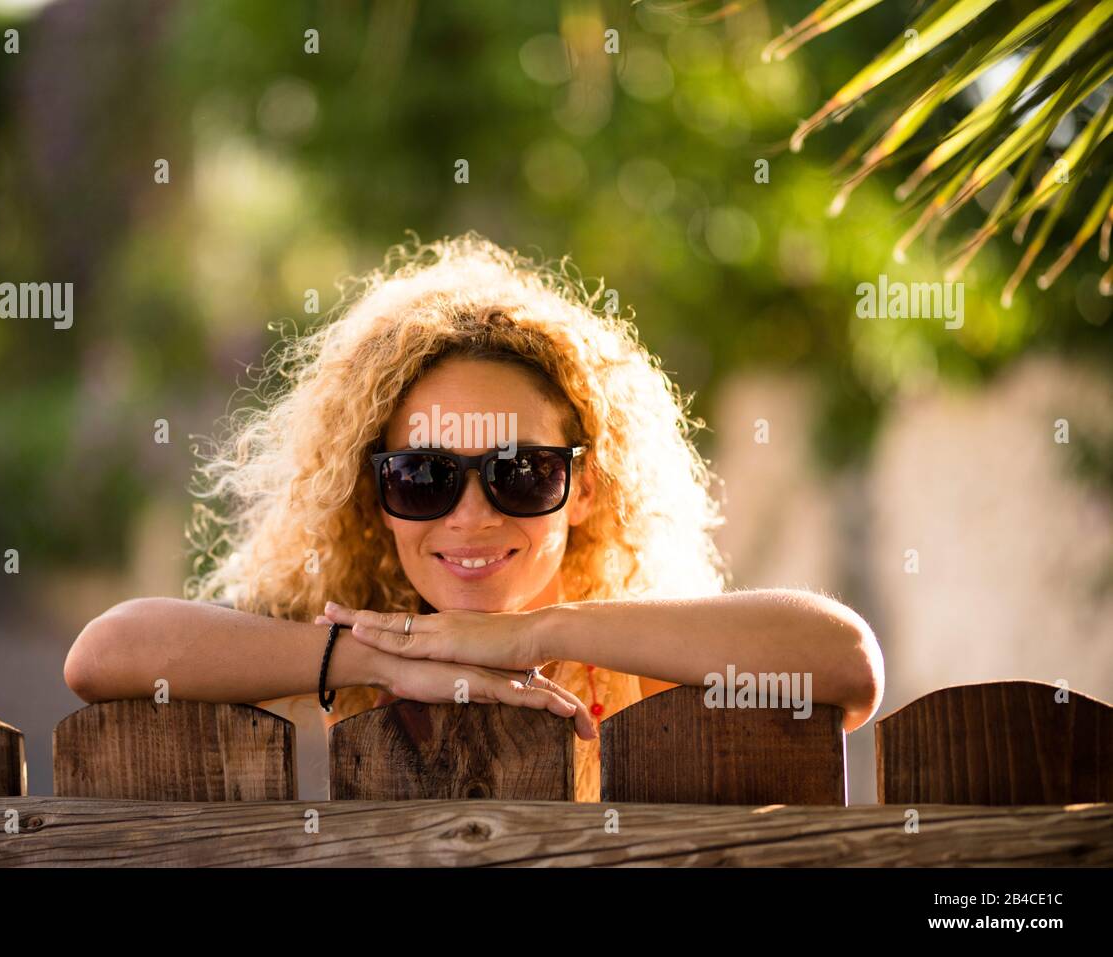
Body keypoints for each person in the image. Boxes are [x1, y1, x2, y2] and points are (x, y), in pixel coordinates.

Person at [64, 231, 884, 802]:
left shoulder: (635, 656)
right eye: (424, 476)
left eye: (518, 473)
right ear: (374, 495)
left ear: (586, 485)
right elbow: (104, 655)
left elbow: (846, 664)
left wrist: (540, 633)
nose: (471, 516)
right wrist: (377, 663)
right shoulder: (364, 636)